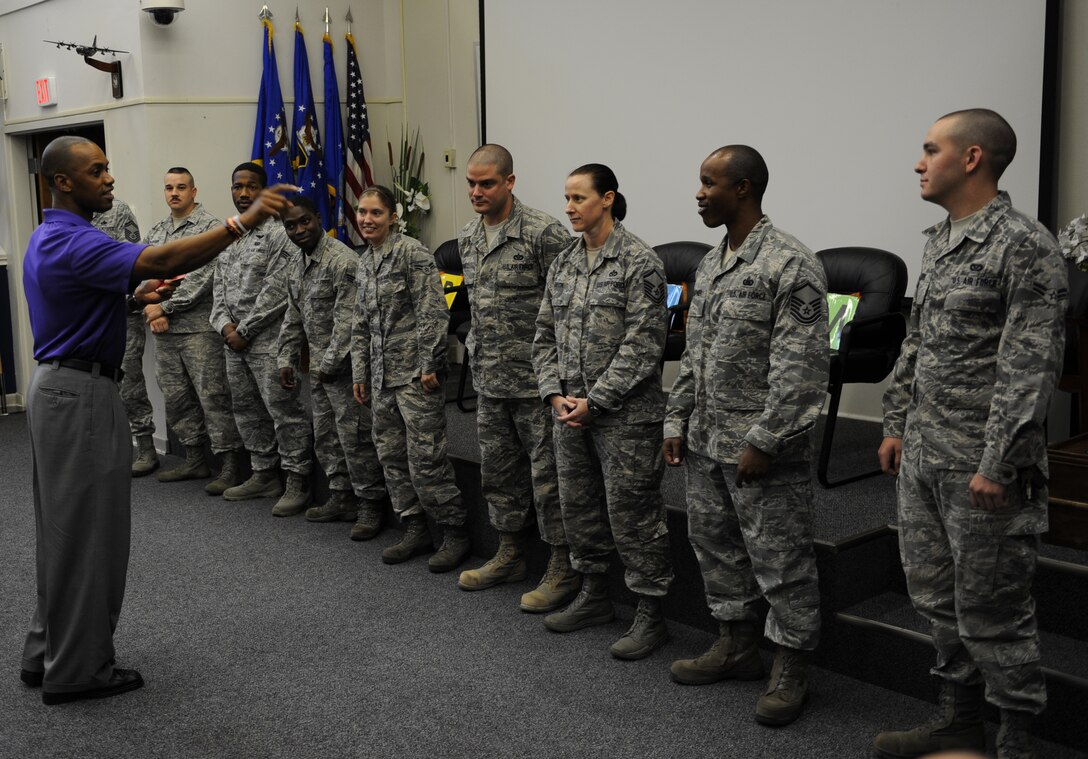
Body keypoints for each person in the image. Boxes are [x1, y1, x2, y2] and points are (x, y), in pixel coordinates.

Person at [20, 135, 291, 704]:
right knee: (91, 537)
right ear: (63, 182)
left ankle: (48, 652)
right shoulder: (75, 240)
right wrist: (244, 221)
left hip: (59, 387)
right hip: (81, 395)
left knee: (62, 533)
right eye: (97, 171)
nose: (110, 179)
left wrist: (132, 293)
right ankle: (79, 671)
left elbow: (104, 286)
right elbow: (165, 256)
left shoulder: (49, 234)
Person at [872, 109, 1068, 759]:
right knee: (933, 594)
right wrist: (896, 422)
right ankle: (958, 721)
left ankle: (1016, 742)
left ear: (973, 158)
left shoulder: (1023, 244)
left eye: (931, 149)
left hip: (982, 471)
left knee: (994, 609)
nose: (920, 161)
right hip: (928, 455)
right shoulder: (940, 238)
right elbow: (918, 341)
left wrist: (999, 462)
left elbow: (1030, 364)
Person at [662, 145, 828, 726]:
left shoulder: (793, 264)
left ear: (745, 187)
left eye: (710, 183)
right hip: (708, 439)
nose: (700, 193)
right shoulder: (711, 263)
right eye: (699, 183)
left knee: (780, 560)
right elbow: (694, 357)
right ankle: (736, 645)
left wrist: (765, 439)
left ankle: (792, 667)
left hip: (762, 450)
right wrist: (676, 418)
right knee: (716, 549)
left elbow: (804, 369)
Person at [532, 163, 674, 660]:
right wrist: (555, 394)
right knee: (578, 507)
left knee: (633, 515)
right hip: (569, 411)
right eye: (565, 198)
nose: (568, 208)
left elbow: (644, 345)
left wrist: (598, 401)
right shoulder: (564, 263)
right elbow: (543, 334)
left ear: (607, 198)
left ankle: (650, 613)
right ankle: (594, 594)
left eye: (578, 198)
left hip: (626, 418)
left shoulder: (640, 262)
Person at [454, 144, 580, 611]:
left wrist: (563, 380)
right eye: (471, 183)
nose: (476, 191)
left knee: (549, 480)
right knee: (500, 474)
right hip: (490, 380)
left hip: (537, 385)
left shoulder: (542, 232)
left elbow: (569, 308)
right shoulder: (468, 237)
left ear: (510, 182)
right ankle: (509, 553)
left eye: (486, 183)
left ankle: (562, 566)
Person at [350, 185, 471, 572]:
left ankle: (455, 533)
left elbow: (433, 312)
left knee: (426, 459)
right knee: (391, 456)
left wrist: (431, 364)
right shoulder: (365, 260)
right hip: (382, 377)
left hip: (416, 377)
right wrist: (360, 372)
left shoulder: (411, 254)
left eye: (375, 213)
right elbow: (360, 324)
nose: (367, 220)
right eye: (362, 212)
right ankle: (414, 527)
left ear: (392, 217)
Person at [277, 198, 387, 536]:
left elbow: (350, 323)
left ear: (318, 218)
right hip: (321, 371)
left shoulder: (342, 261)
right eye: (291, 226)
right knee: (326, 435)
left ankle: (370, 505)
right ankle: (341, 496)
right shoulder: (296, 262)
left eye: (304, 221)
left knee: (354, 437)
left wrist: (328, 365)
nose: (298, 230)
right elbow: (293, 315)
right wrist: (286, 357)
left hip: (348, 369)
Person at [210, 163, 314, 516]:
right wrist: (225, 326)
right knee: (246, 409)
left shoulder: (279, 234)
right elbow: (218, 289)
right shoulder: (230, 234)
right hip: (233, 342)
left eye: (251, 187)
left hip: (269, 340)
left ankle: (297, 479)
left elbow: (278, 292)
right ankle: (263, 473)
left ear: (263, 190)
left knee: (283, 411)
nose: (243, 194)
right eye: (237, 187)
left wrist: (245, 330)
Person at [140, 167, 245, 494]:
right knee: (176, 398)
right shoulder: (157, 230)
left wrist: (163, 306)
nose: (174, 193)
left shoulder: (210, 228)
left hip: (199, 330)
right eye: (169, 187)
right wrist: (148, 305)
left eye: (181, 187)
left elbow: (201, 278)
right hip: (165, 334)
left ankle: (229, 465)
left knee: (212, 396)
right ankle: (195, 458)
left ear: (194, 191)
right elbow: (142, 272)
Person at [92, 199, 158, 476]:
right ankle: (105, 449)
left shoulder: (117, 211)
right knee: (94, 382)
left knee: (128, 381)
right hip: (89, 314)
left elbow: (131, 259)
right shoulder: (66, 218)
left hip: (122, 313)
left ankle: (145, 447)